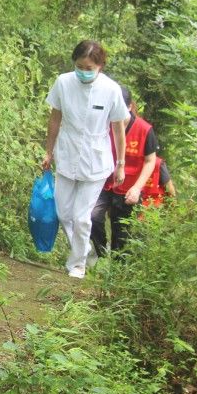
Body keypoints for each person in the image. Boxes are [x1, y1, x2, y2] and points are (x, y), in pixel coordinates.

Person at [42, 40, 128, 278]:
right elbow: (55, 119)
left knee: (82, 217)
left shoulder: (111, 90)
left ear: (100, 66)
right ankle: (86, 250)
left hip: (96, 160)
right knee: (63, 212)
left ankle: (77, 264)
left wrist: (121, 164)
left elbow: (118, 128)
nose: (84, 72)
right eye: (80, 66)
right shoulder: (63, 82)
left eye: (89, 68)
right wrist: (48, 152)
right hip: (67, 154)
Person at [89, 85, 159, 257]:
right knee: (92, 217)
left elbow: (150, 161)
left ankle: (115, 271)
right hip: (104, 182)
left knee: (121, 232)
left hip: (129, 187)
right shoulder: (104, 124)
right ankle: (101, 255)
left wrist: (137, 188)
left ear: (129, 107)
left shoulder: (144, 130)